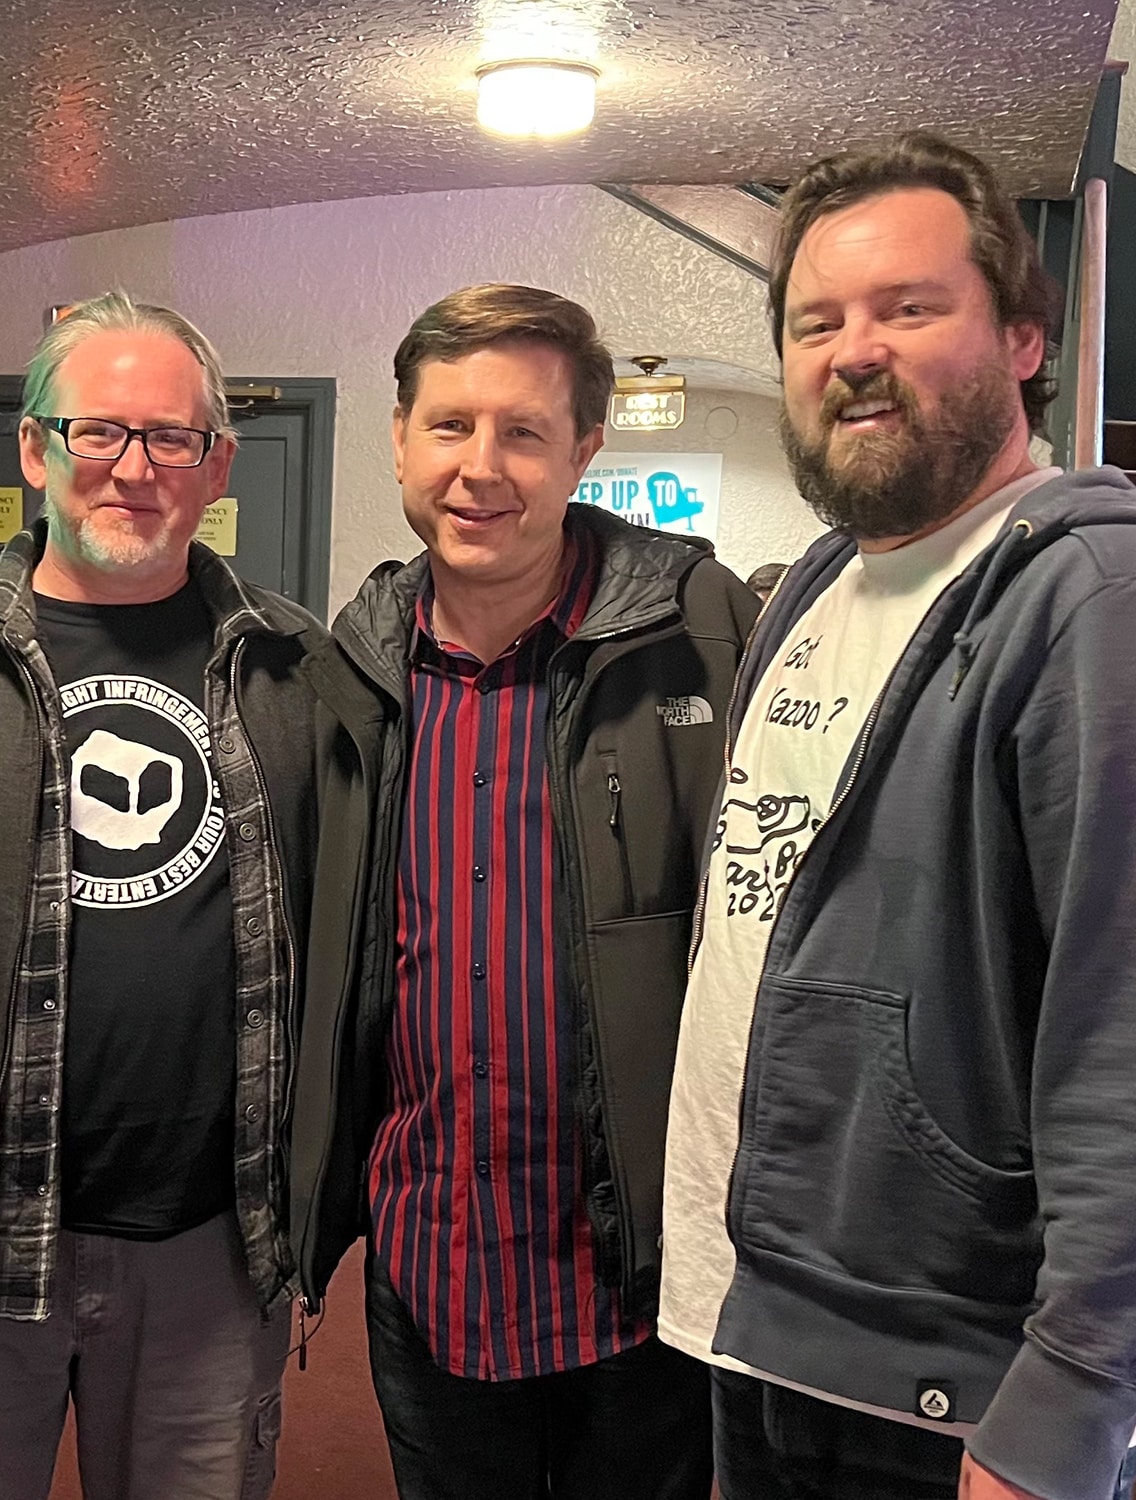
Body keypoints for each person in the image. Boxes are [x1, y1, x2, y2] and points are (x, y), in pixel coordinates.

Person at [660, 132, 1136, 1500]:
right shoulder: (812, 589)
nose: (854, 350)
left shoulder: (1106, 600)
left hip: (950, 1392)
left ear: (1024, 335)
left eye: (909, 309)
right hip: (770, 1328)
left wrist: (1070, 1408)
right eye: (816, 320)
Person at [0, 291, 341, 1500]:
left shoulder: (296, 672)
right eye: (95, 432)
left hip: (210, 1251)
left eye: (170, 438)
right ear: (33, 448)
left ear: (217, 466)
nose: (131, 468)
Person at [287, 283, 759, 1500]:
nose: (478, 468)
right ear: (398, 437)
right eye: (448, 427)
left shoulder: (706, 637)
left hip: (637, 1272)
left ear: (584, 451)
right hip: (431, 1264)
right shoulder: (350, 672)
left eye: (523, 432)